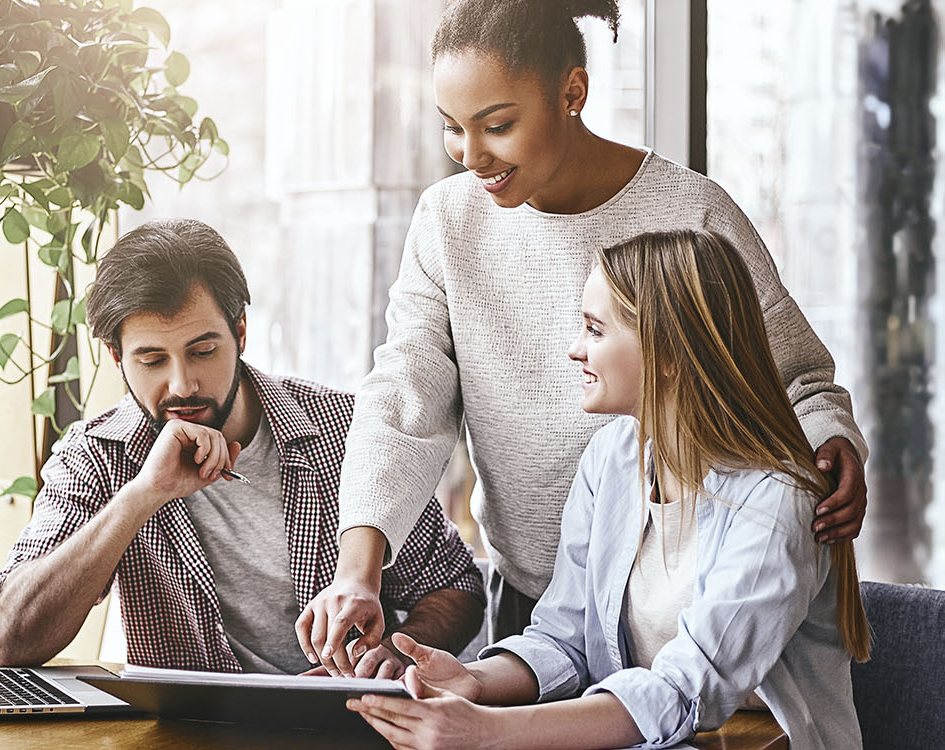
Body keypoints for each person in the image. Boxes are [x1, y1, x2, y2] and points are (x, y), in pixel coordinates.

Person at [298, 0, 870, 676]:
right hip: (543, 612)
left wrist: (827, 437)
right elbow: (403, 397)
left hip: (686, 607)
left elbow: (795, 376)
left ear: (573, 91)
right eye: (452, 128)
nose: (472, 155)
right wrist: (357, 571)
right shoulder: (446, 221)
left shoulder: (692, 213)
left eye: (498, 125)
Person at [347, 229, 869, 750]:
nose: (575, 350)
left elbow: (683, 691)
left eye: (595, 330)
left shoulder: (778, 497)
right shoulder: (612, 458)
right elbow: (563, 639)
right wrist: (474, 682)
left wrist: (485, 732)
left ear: (670, 351)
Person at [0, 218, 486, 676]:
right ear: (116, 357)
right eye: (152, 360)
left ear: (240, 331)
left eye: (203, 351)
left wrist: (397, 654)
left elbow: (455, 585)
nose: (182, 384)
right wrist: (141, 496)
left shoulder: (348, 429)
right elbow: (6, 642)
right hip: (188, 737)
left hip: (341, 726)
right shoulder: (97, 456)